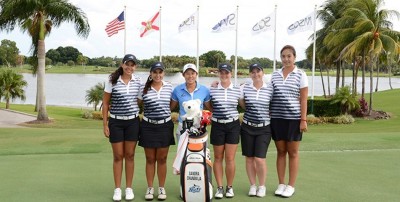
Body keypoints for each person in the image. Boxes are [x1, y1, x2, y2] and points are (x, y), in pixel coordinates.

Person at [270, 45, 308, 198]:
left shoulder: (301, 74)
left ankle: (291, 185)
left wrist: (303, 119)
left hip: (293, 120)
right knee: (280, 152)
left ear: (294, 57)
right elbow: (259, 84)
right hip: (277, 119)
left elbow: (303, 99)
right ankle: (281, 184)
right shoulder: (274, 75)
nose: (286, 59)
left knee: (292, 153)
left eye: (289, 56)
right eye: (283, 56)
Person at [102, 54, 141, 201]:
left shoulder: (138, 81)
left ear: (135, 67)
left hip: (133, 122)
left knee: (130, 155)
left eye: (132, 65)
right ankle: (117, 189)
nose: (129, 67)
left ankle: (129, 188)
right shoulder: (112, 80)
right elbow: (105, 103)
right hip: (116, 122)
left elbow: (139, 99)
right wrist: (105, 124)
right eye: (127, 64)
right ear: (122, 65)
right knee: (118, 156)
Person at [138, 62, 175, 201]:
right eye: (155, 72)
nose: (158, 75)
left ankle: (161, 187)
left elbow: (172, 104)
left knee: (162, 159)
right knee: (150, 159)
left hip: (164, 126)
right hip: (148, 126)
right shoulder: (144, 88)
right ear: (151, 73)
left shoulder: (169, 87)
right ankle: (150, 187)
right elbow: (137, 103)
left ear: (163, 73)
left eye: (160, 72)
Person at [239, 63, 273, 198]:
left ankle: (262, 186)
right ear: (250, 74)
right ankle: (253, 185)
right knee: (249, 158)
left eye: (258, 71)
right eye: (252, 72)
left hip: (264, 128)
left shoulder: (270, 88)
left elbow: (273, 104)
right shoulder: (245, 88)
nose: (256, 74)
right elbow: (242, 103)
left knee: (259, 159)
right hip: (247, 127)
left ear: (262, 73)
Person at [209, 63, 241, 199]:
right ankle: (220, 187)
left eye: (226, 73)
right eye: (221, 73)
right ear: (218, 74)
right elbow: (209, 106)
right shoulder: (212, 89)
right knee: (218, 157)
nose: (224, 75)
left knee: (229, 158)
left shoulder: (238, 90)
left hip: (233, 126)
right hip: (217, 125)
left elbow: (243, 104)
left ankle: (229, 187)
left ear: (231, 74)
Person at [170, 63, 212, 139]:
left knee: (200, 150)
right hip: (182, 125)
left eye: (193, 73)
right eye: (187, 74)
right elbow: (171, 107)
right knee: (182, 151)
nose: (190, 76)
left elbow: (210, 108)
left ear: (196, 74)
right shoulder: (177, 90)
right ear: (183, 75)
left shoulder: (204, 90)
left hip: (199, 126)